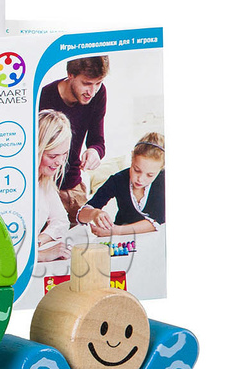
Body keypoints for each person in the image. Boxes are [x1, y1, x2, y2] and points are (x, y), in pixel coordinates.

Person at [38, 56, 108, 224]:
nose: (92, 92)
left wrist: (94, 151)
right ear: (70, 75)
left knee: (87, 232)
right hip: (46, 187)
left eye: (98, 83)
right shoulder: (44, 96)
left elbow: (98, 141)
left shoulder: (98, 94)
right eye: (86, 83)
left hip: (74, 185)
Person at [76, 133, 165, 235]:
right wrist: (93, 213)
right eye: (136, 170)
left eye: (150, 175)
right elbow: (81, 215)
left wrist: (116, 231)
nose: (140, 179)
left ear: (161, 169)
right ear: (132, 158)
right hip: (121, 240)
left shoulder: (163, 182)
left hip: (153, 238)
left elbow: (158, 220)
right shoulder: (118, 180)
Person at [36, 110, 72, 261]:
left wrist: (39, 241)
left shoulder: (44, 182)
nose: (60, 162)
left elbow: (61, 221)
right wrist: (40, 255)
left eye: (64, 154)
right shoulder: (16, 188)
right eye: (52, 156)